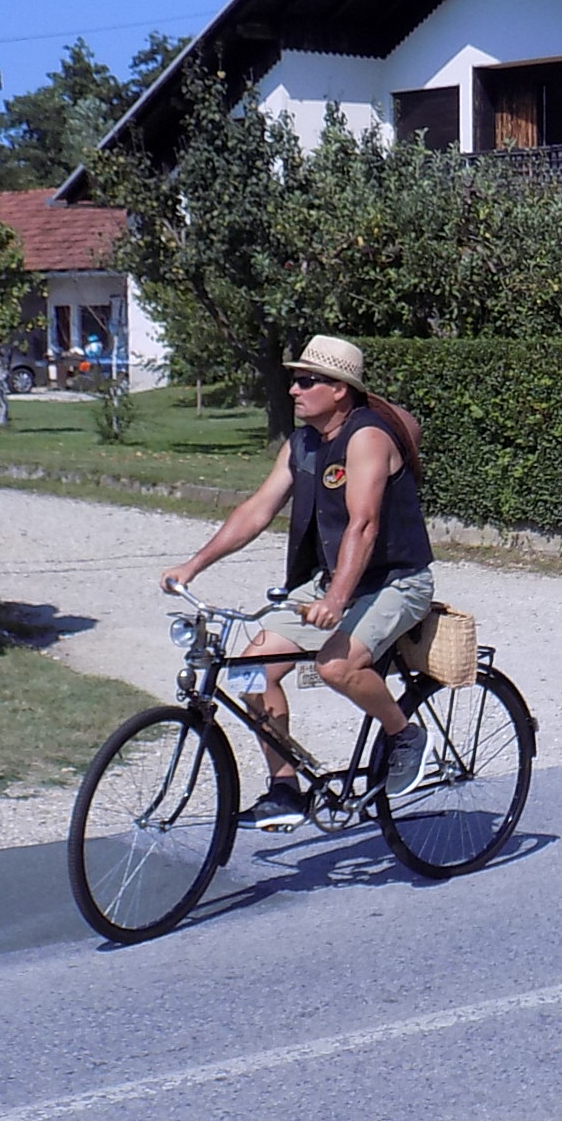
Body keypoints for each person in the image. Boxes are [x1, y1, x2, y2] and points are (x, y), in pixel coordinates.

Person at [161, 335, 437, 830]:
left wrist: (337, 598)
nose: (294, 389)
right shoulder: (303, 443)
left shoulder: (367, 438)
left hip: (395, 582)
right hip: (332, 581)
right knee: (248, 673)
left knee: (335, 666)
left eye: (307, 381)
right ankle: (285, 788)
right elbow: (257, 510)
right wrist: (194, 565)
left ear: (340, 389)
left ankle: (404, 735)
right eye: (295, 379)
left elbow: (364, 525)